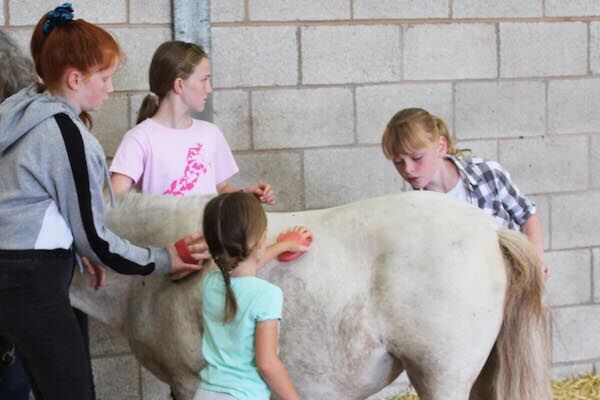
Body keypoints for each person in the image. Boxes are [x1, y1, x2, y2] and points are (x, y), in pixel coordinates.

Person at [0, 4, 205, 400]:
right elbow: (96, 237)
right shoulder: (61, 133)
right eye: (106, 77)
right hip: (32, 282)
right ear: (75, 79)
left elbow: (33, 206)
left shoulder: (22, 112)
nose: (112, 88)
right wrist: (165, 258)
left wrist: (78, 251)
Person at [381, 107, 548, 276]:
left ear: (440, 146)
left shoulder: (488, 174)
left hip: (513, 283)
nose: (407, 169)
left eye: (417, 158)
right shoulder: (414, 209)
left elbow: (528, 216)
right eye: (398, 162)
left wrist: (537, 265)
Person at [110, 40, 275, 204]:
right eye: (204, 80)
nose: (209, 89)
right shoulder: (139, 139)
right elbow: (114, 201)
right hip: (163, 231)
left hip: (208, 231)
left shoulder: (210, 134)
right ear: (180, 85)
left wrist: (244, 197)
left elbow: (221, 188)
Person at [196, 192, 310, 400]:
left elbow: (242, 269)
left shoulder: (210, 283)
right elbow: (267, 364)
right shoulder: (267, 295)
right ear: (261, 241)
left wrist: (281, 246)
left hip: (205, 393)